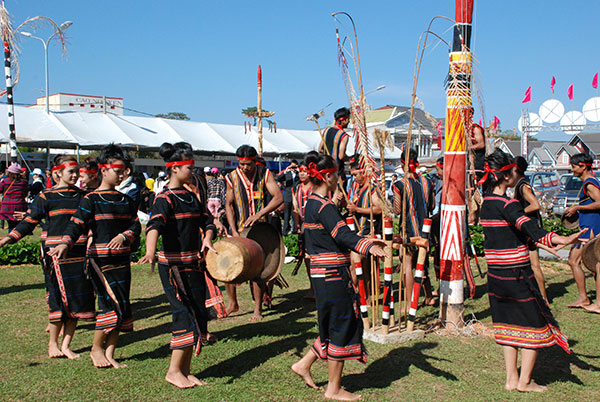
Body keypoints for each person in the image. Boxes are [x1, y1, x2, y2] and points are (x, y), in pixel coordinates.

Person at [479, 148, 583, 392]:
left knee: (507, 323)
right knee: (532, 323)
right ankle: (524, 381)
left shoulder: (487, 203)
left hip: (496, 274)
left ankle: (510, 380)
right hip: (516, 273)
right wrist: (559, 240)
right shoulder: (508, 204)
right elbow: (529, 228)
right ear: (507, 175)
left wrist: (542, 241)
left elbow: (509, 234)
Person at [291, 153, 387, 401]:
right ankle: (333, 388)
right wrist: (368, 246)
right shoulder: (324, 206)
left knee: (333, 321)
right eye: (336, 174)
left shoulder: (313, 202)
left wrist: (337, 207)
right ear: (328, 176)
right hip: (332, 274)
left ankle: (304, 364)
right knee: (341, 324)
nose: (340, 178)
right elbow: (343, 235)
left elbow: (333, 229)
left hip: (324, 274)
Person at [49, 144, 141, 369]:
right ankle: (96, 349)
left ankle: (110, 352)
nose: (121, 175)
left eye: (124, 171)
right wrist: (64, 243)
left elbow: (135, 225)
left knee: (122, 303)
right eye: (118, 171)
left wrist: (125, 235)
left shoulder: (126, 200)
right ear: (104, 169)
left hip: (121, 260)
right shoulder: (90, 199)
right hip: (99, 261)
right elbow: (76, 224)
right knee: (109, 303)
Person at [0, 155, 95, 359]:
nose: (76, 175)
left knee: (77, 299)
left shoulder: (85, 196)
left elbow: (92, 224)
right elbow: (29, 222)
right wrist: (7, 239)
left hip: (79, 254)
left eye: (77, 171)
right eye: (71, 171)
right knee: (57, 299)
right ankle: (53, 344)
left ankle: (67, 345)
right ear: (58, 173)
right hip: (54, 254)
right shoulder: (46, 197)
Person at [140, 142, 217, 389]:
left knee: (197, 313)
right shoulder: (164, 199)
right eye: (188, 167)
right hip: (173, 268)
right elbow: (153, 227)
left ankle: (185, 370)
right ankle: (173, 371)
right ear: (173, 169)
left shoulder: (191, 197)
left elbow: (207, 220)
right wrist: (150, 251)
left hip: (193, 265)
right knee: (183, 314)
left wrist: (206, 238)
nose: (192, 171)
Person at [224, 145, 283, 321]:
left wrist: (259, 214)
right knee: (229, 267)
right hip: (239, 229)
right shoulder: (231, 177)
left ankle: (257, 309)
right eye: (242, 164)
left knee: (259, 270)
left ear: (255, 161)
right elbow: (228, 204)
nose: (245, 168)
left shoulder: (265, 174)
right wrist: (233, 229)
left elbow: (278, 197)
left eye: (248, 164)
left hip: (260, 230)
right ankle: (233, 303)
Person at [393, 148, 435, 305]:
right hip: (425, 229)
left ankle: (412, 300)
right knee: (423, 262)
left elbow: (397, 210)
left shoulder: (399, 184)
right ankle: (429, 295)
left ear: (402, 163)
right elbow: (432, 205)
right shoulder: (427, 181)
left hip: (409, 229)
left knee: (407, 264)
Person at [564, 152, 600, 312]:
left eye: (573, 166)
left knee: (574, 260)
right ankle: (586, 298)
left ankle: (585, 298)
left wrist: (578, 207)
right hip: (587, 226)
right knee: (594, 265)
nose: (571, 169)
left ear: (583, 166)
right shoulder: (588, 182)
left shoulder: (589, 183)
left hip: (590, 229)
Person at [346, 155, 382, 299]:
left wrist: (357, 210)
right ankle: (363, 297)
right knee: (360, 268)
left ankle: (359, 297)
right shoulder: (358, 188)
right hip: (358, 232)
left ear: (363, 171)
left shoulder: (373, 188)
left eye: (355, 174)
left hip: (368, 232)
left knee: (359, 267)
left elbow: (378, 209)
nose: (354, 178)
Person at [513, 156, 548, 301]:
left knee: (534, 265)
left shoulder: (522, 186)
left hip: (529, 228)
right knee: (531, 264)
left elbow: (535, 205)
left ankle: (543, 298)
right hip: (530, 227)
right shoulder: (522, 183)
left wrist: (518, 213)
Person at [291, 160, 314, 298]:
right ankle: (312, 288)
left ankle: (318, 289)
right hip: (304, 225)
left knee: (316, 256)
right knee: (307, 256)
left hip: (316, 225)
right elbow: (295, 208)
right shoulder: (297, 188)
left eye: (305, 171)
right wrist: (297, 224)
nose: (302, 174)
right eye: (300, 171)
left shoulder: (317, 187)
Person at [319, 107, 351, 184]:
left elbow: (320, 149)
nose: (349, 121)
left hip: (325, 170)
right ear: (345, 120)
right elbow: (341, 156)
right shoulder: (343, 135)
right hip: (337, 172)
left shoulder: (326, 131)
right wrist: (349, 160)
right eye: (348, 119)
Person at [0, 162, 29, 230]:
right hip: (19, 206)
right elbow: (25, 193)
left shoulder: (5, 181)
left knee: (10, 225)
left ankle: (11, 238)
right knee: (18, 226)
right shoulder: (24, 182)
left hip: (7, 207)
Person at [276, 160, 299, 235]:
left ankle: (295, 229)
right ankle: (285, 231)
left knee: (296, 213)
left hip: (296, 195)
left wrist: (299, 170)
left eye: (294, 166)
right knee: (287, 214)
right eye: (292, 166)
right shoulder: (287, 173)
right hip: (288, 195)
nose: (293, 168)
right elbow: (278, 178)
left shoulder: (299, 174)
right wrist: (286, 170)